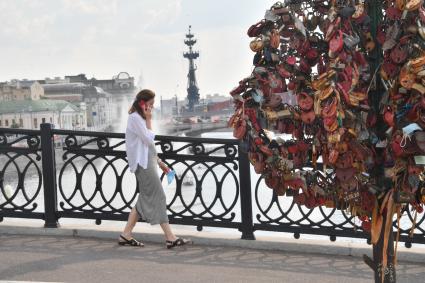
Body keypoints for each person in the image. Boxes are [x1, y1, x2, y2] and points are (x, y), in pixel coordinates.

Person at [118, 89, 191, 249]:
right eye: (150, 104)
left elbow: (149, 145)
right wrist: (150, 120)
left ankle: (126, 235)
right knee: (159, 196)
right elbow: (147, 138)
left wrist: (159, 162)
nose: (151, 108)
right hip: (142, 165)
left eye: (152, 105)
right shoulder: (135, 118)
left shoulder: (139, 118)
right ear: (142, 103)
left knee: (144, 199)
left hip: (148, 162)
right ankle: (170, 237)